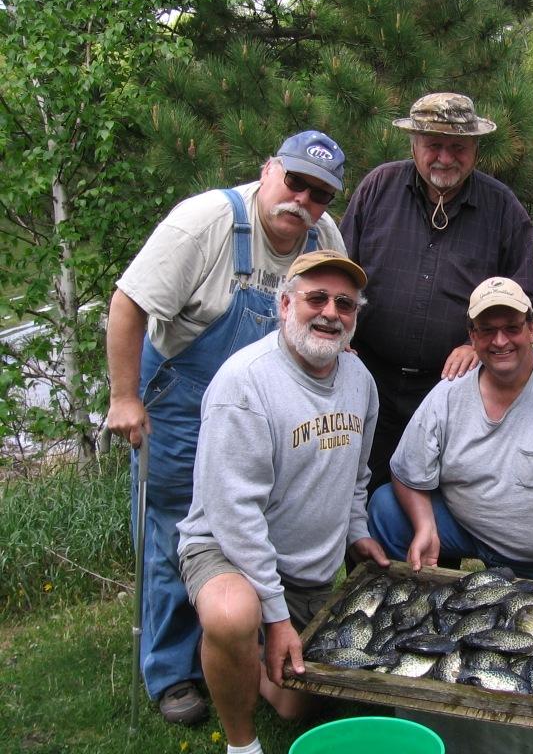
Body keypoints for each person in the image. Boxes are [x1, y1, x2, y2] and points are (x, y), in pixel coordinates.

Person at [105, 131, 348, 723]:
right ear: (268, 171)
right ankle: (172, 672)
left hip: (267, 409)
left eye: (319, 194)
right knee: (175, 528)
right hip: (184, 403)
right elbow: (128, 303)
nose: (303, 201)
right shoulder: (206, 222)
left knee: (258, 521)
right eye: (295, 182)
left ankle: (245, 645)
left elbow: (334, 311)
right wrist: (125, 396)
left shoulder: (325, 237)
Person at [177, 250, 389, 754]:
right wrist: (273, 615)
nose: (331, 313)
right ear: (285, 304)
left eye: (345, 303)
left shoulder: (360, 381)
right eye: (316, 298)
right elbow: (235, 515)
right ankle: (241, 740)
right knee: (233, 613)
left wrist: (357, 532)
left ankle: (239, 655)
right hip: (228, 550)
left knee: (298, 706)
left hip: (308, 571)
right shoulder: (244, 384)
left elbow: (357, 477)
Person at [367, 276, 533, 595]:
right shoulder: (448, 394)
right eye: (487, 330)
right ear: (472, 337)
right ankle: (415, 598)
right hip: (471, 532)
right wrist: (424, 525)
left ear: (532, 330)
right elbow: (406, 470)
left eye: (512, 328)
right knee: (385, 507)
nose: (500, 341)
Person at [341, 92, 533, 496]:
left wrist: (473, 343)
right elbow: (342, 273)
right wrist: (340, 340)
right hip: (368, 377)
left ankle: (434, 560)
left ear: (475, 149)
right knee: (357, 489)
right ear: (414, 144)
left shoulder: (502, 208)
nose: (445, 158)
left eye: (457, 147)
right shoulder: (378, 188)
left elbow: (524, 291)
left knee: (441, 495)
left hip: (451, 386)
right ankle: (362, 558)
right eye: (433, 145)